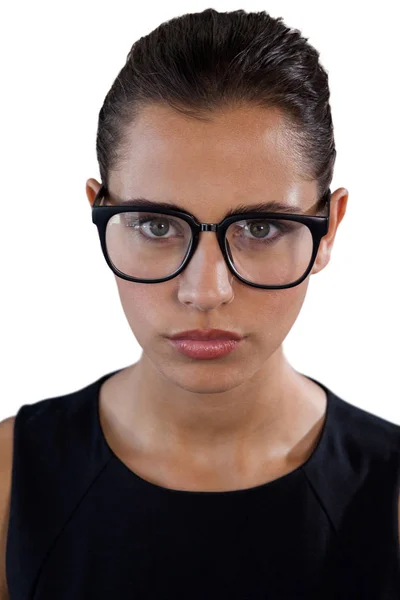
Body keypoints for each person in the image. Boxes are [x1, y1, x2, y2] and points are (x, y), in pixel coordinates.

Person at [1, 7, 399, 599]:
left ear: (329, 228)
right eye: (157, 225)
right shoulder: (9, 482)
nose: (204, 291)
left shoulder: (391, 500)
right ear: (99, 212)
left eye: (262, 228)